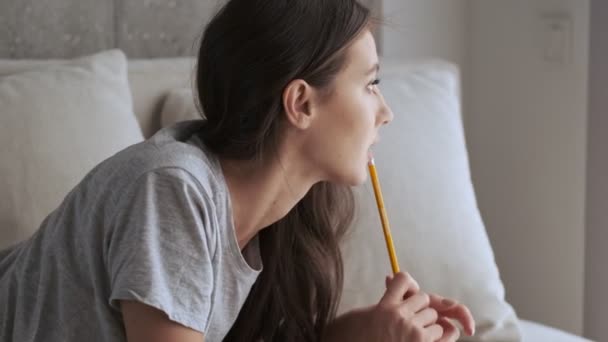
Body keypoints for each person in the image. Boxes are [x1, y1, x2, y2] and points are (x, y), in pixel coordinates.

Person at [0, 0, 475, 341]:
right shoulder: (172, 190)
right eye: (371, 83)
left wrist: (366, 333)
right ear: (301, 103)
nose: (386, 111)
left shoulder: (276, 219)